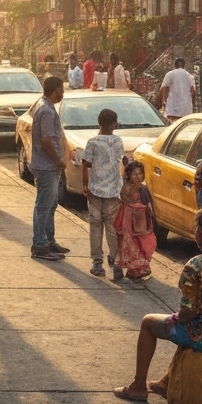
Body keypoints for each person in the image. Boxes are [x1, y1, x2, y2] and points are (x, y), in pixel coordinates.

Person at [114, 205, 202, 402]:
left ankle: (138, 386)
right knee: (189, 325)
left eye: (197, 228)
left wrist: (178, 318)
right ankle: (166, 382)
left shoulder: (197, 264)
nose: (194, 232)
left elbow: (188, 312)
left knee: (149, 322)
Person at [29, 75, 71, 261]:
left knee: (50, 205)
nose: (63, 93)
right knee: (44, 206)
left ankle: (49, 240)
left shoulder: (45, 106)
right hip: (46, 166)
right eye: (62, 89)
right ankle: (40, 244)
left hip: (48, 166)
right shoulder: (46, 110)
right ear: (56, 90)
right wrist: (57, 161)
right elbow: (46, 140)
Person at [80, 108, 123, 279]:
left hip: (96, 191)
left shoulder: (93, 142)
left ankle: (97, 262)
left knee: (96, 226)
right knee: (112, 227)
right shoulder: (118, 141)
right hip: (113, 192)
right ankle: (115, 261)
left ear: (99, 123)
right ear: (114, 124)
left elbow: (85, 163)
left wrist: (85, 184)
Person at [115, 160, 157, 280]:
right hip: (128, 220)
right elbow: (121, 201)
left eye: (139, 173)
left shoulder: (143, 188)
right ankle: (136, 269)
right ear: (129, 175)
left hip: (141, 220)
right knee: (131, 243)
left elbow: (148, 204)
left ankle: (139, 268)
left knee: (143, 242)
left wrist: (150, 217)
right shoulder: (125, 188)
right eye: (134, 174)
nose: (137, 176)